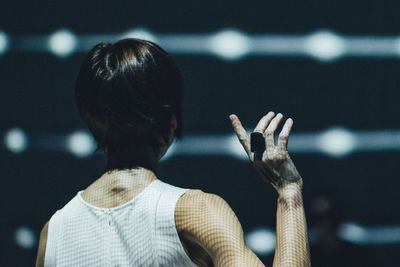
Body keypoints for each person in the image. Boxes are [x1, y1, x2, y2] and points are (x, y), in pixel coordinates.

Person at [35, 38, 311, 267]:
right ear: (170, 124)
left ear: (90, 120)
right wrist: (288, 191)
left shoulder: (54, 234)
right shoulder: (195, 212)